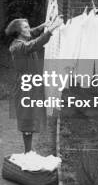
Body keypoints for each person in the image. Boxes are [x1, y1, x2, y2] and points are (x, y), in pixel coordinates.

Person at [5, 17, 62, 153]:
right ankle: (27, 152)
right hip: (25, 87)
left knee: (31, 119)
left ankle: (28, 152)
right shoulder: (18, 46)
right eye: (25, 27)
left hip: (31, 85)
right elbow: (35, 44)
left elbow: (31, 32)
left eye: (28, 26)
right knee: (27, 121)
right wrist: (51, 30)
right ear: (18, 32)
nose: (28, 28)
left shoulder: (22, 39)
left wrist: (43, 25)